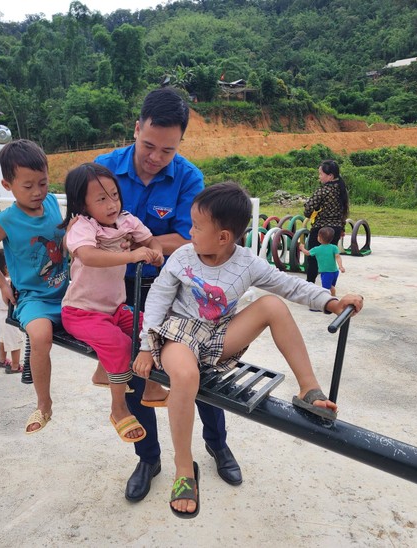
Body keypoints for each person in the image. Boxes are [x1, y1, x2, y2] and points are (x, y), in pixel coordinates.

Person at [132, 182, 364, 518]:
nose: (190, 232)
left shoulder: (246, 263)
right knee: (185, 375)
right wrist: (144, 345)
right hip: (178, 333)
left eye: (197, 226)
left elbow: (289, 285)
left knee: (272, 304)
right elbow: (157, 300)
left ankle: (309, 388)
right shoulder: (182, 257)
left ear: (224, 237)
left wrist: (331, 301)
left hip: (219, 334)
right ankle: (184, 468)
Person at [95, 87, 238, 503]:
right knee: (136, 368)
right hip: (119, 290)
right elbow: (83, 229)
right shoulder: (102, 169)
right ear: (136, 128)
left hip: (175, 290)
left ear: (180, 144)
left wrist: (138, 245)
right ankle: (148, 457)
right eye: (148, 145)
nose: (156, 157)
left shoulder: (189, 177)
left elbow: (192, 238)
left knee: (197, 368)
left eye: (167, 150)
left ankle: (216, 443)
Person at [59, 163, 168, 443]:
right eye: (101, 199)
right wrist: (132, 256)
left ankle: (152, 388)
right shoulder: (82, 227)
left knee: (153, 329)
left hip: (115, 309)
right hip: (82, 312)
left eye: (114, 195)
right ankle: (118, 408)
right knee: (119, 345)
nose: (111, 204)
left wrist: (155, 253)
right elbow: (89, 256)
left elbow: (151, 241)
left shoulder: (127, 221)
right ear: (82, 204)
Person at [0, 139, 68, 435]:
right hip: (34, 297)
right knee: (40, 336)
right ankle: (44, 404)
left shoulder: (53, 202)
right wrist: (2, 284)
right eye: (28, 186)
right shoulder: (6, 220)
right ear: (7, 185)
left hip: (68, 292)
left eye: (43, 182)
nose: (38, 192)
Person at [303, 159, 349, 285]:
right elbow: (344, 212)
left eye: (321, 174)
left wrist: (312, 208)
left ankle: (310, 284)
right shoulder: (342, 190)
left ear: (330, 176)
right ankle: (329, 285)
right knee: (329, 257)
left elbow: (307, 211)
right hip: (336, 229)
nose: (319, 177)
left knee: (313, 258)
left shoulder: (322, 191)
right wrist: (342, 228)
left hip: (321, 229)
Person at [0, 248, 24, 374]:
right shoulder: (8, 282)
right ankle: (15, 366)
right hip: (9, 316)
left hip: (0, 314)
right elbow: (11, 300)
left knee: (3, 338)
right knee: (15, 342)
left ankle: (2, 360)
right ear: (6, 267)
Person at [299, 226, 345, 296]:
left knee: (327, 289)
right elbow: (338, 257)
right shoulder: (334, 247)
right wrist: (341, 266)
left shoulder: (316, 249)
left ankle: (331, 299)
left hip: (326, 272)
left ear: (319, 238)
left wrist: (302, 248)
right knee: (331, 286)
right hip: (335, 272)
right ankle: (332, 298)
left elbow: (307, 253)